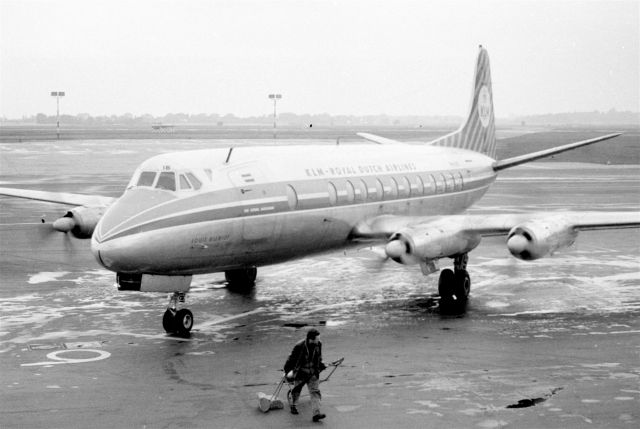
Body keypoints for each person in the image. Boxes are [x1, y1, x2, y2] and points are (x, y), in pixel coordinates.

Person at [284, 328, 327, 422]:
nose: (319, 340)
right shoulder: (299, 346)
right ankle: (293, 405)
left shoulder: (319, 344)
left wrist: (321, 365)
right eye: (317, 338)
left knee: (315, 392)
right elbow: (291, 359)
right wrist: (287, 372)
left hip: (313, 373)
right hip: (301, 372)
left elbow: (319, 357)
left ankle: (316, 413)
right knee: (296, 390)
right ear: (310, 339)